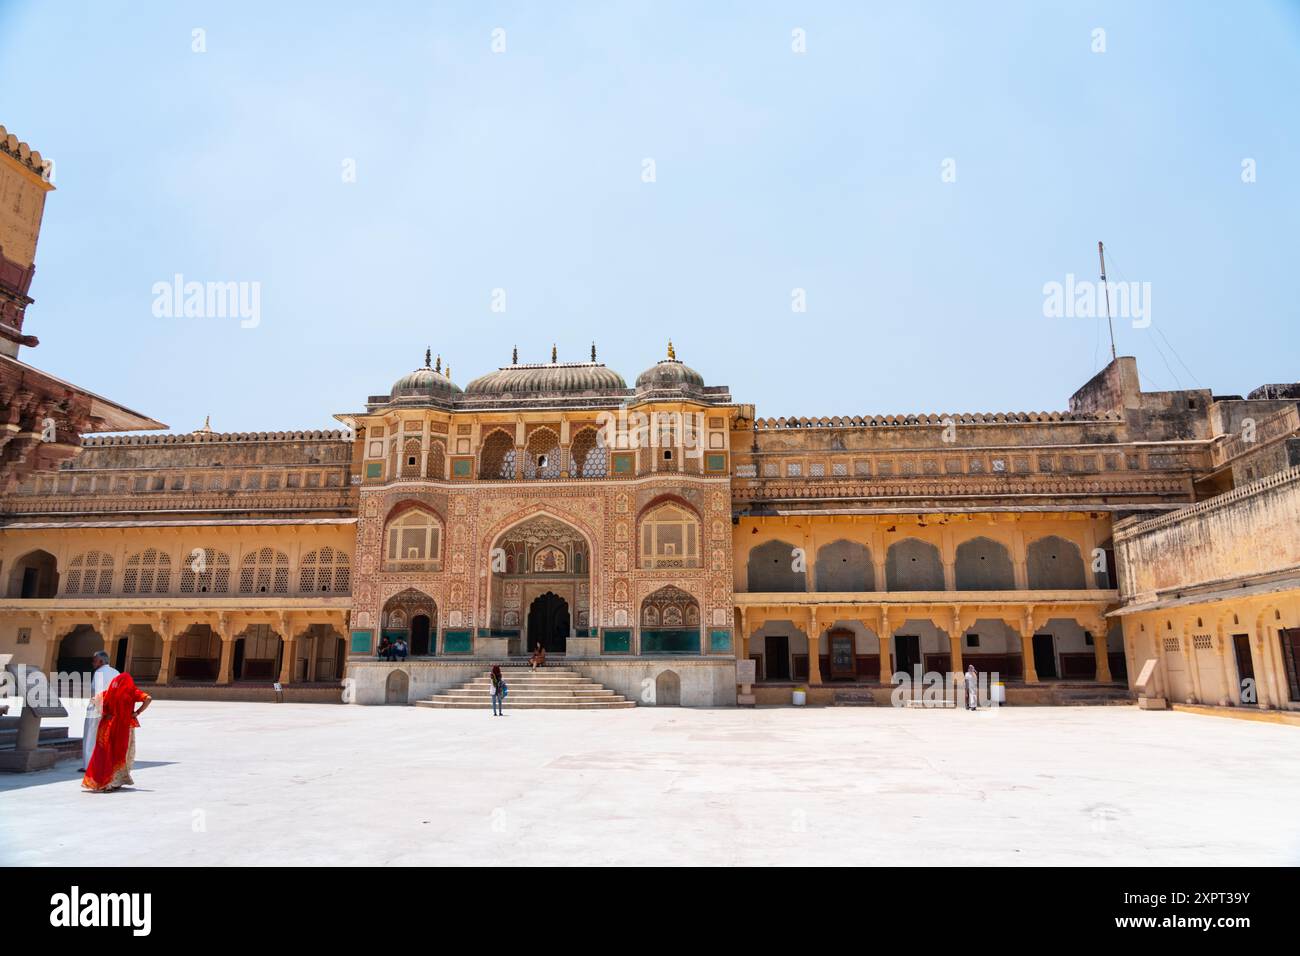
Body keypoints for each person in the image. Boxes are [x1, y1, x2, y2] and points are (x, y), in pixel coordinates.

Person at [82, 672, 151, 793]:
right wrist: (137, 712)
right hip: (125, 727)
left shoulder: (109, 692)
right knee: (122, 753)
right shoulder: (132, 691)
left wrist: (104, 712)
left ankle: (103, 782)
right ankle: (115, 781)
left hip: (108, 726)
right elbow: (148, 698)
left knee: (106, 753)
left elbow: (94, 699)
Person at [80, 650, 119, 772]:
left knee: (90, 736)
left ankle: (88, 765)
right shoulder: (116, 672)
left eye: (95, 660)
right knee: (106, 737)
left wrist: (100, 709)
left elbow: (97, 693)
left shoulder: (99, 673)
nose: (93, 663)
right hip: (111, 709)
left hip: (97, 709)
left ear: (101, 661)